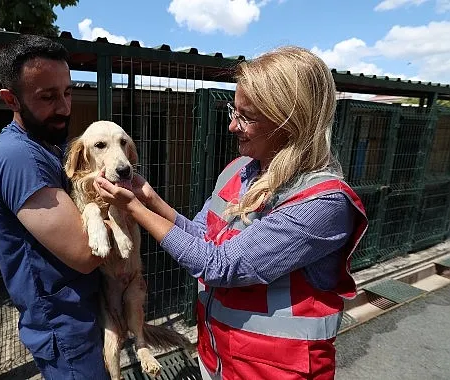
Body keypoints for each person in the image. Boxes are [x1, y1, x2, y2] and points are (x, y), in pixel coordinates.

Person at [94, 46, 369, 380]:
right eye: (232, 110)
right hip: (218, 358)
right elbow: (201, 236)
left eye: (246, 117)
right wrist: (150, 198)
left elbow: (219, 265)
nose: (231, 126)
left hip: (274, 373)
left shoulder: (321, 204)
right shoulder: (240, 171)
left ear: (289, 121)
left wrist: (134, 208)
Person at [0, 35, 109, 379]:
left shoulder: (47, 143)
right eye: (48, 97)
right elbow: (87, 253)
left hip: (80, 315)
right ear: (11, 99)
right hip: (63, 327)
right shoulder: (18, 157)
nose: (65, 108)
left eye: (67, 92)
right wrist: (129, 208)